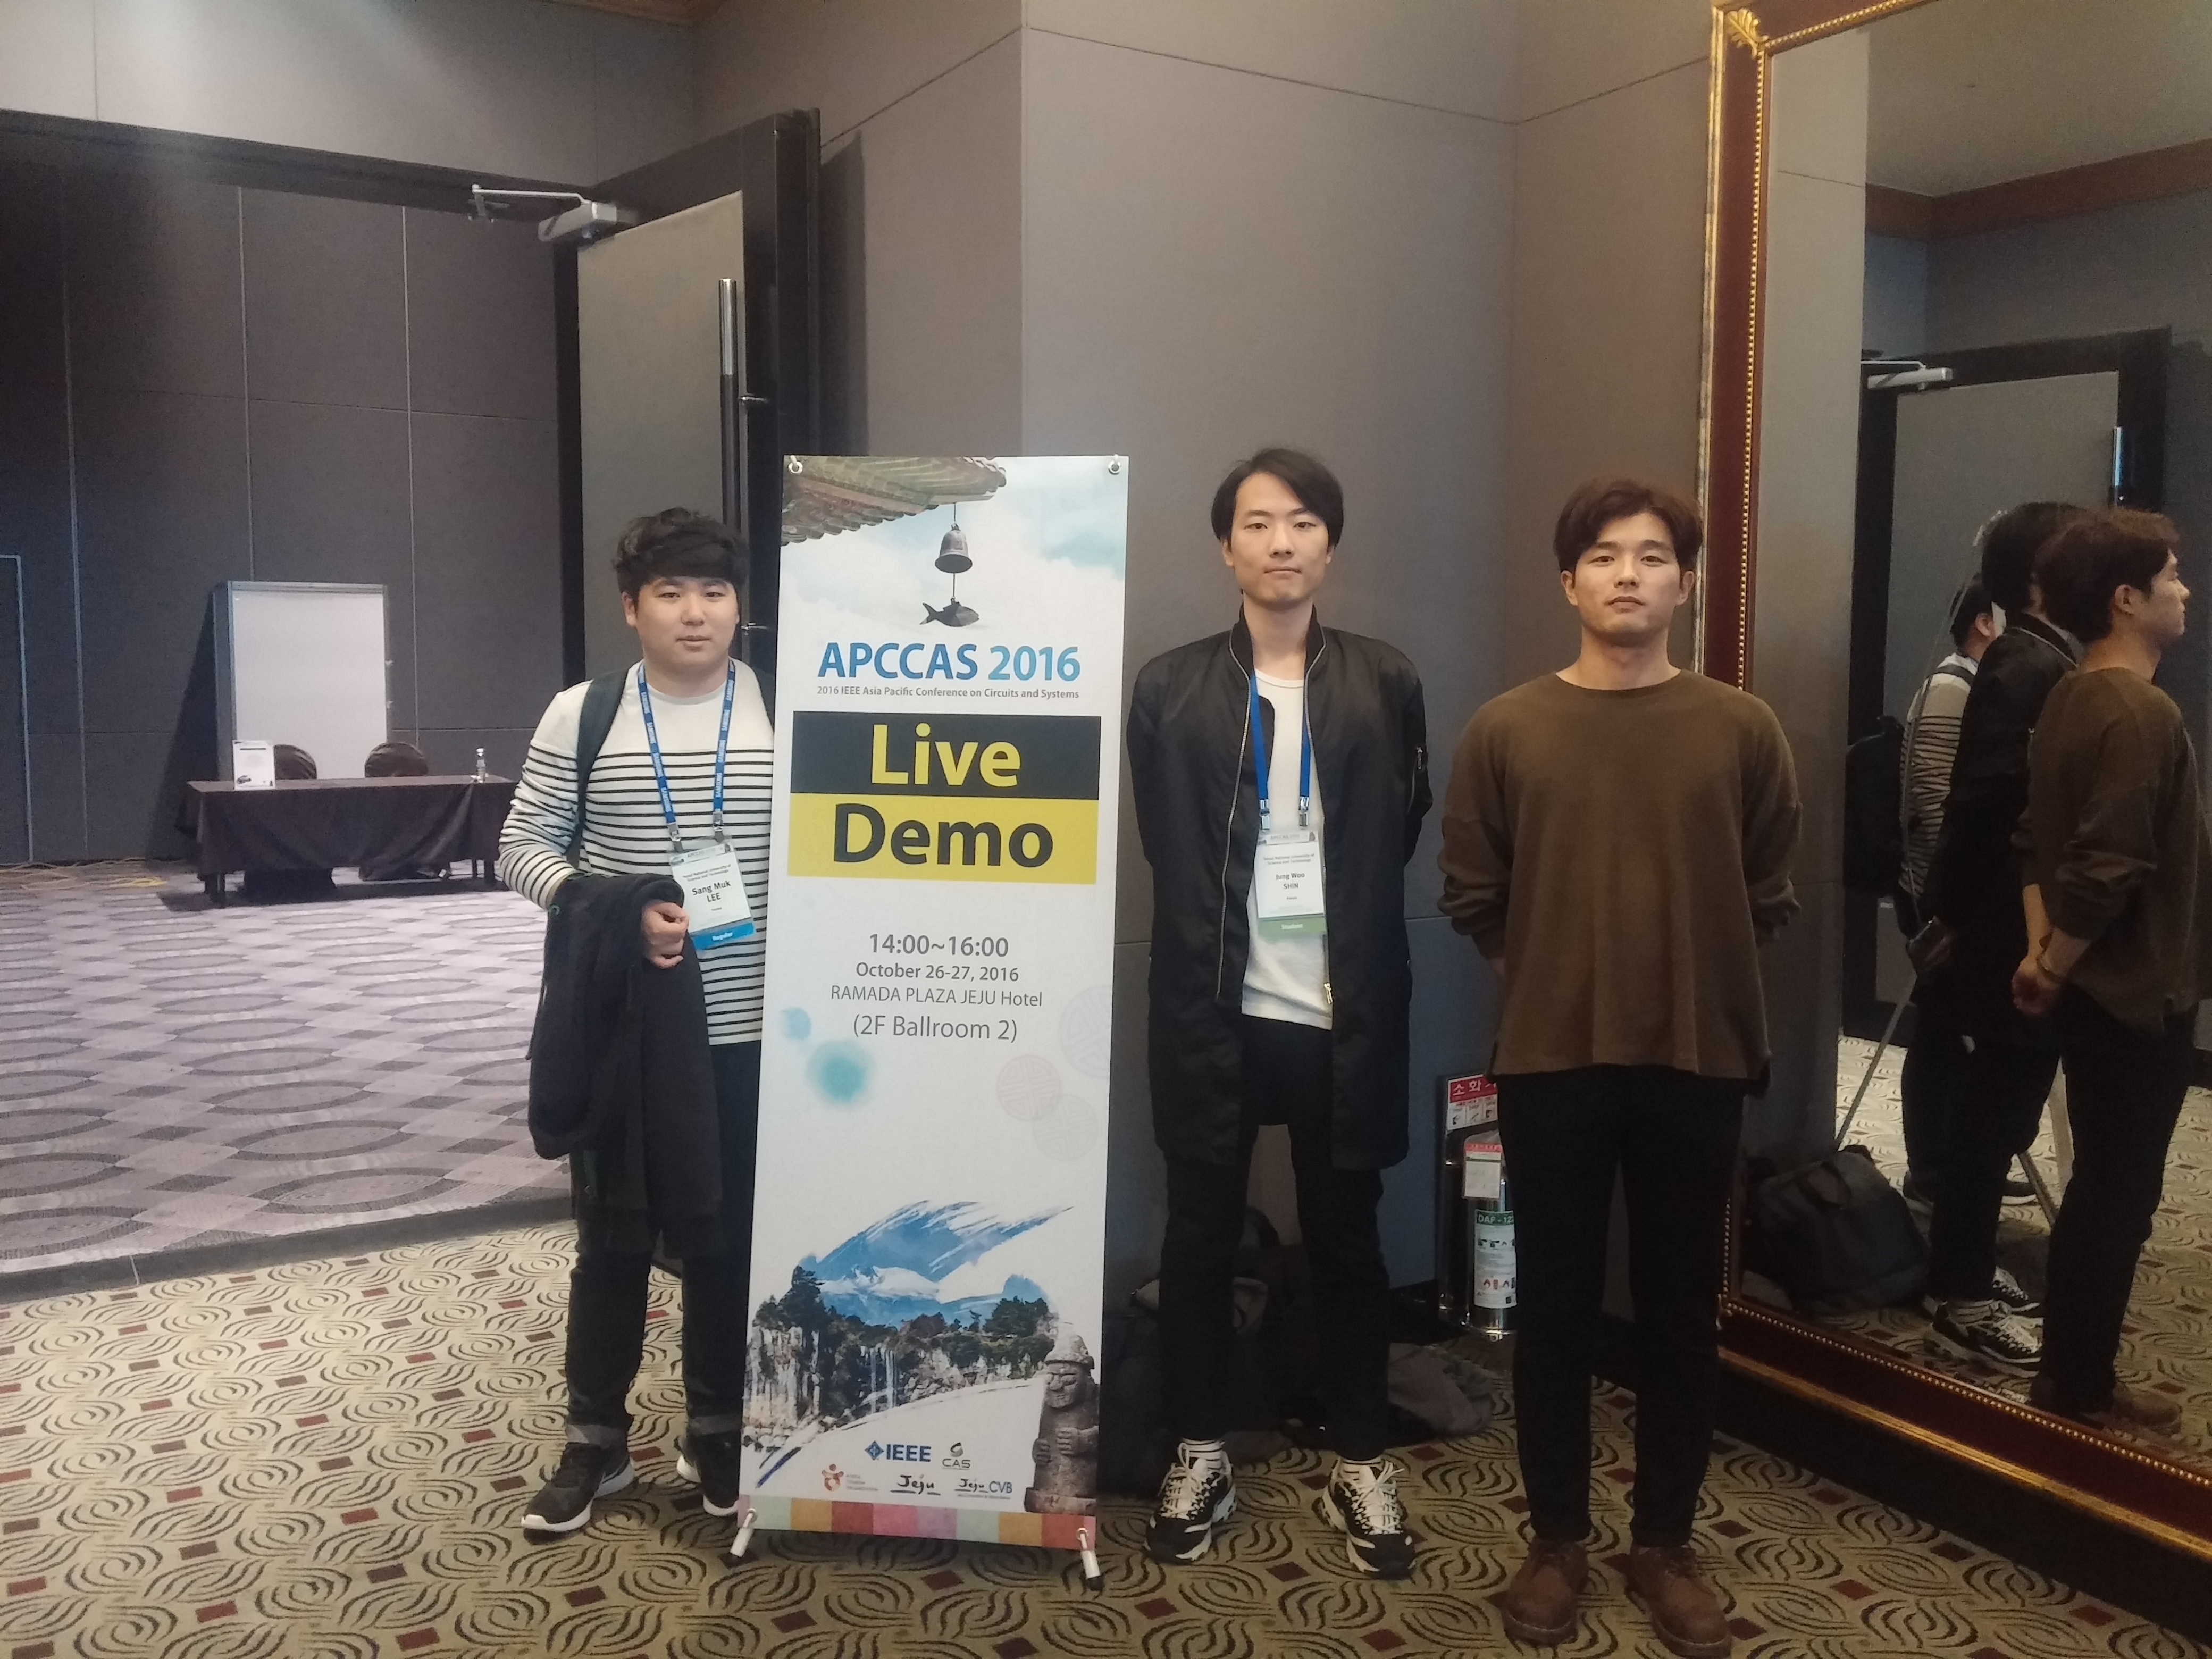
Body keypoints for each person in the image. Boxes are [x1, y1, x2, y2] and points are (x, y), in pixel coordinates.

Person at [1439, 478, 1799, 1658]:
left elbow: (1766, 890)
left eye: (1652, 555)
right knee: (1550, 1306)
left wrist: (1685, 973)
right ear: (1569, 581)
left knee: (1680, 1311)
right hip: (1552, 1063)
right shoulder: (1507, 728)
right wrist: (1555, 976)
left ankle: (1665, 1543)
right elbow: (1475, 894)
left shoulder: (1742, 729)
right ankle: (1556, 1538)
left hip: (1696, 1061)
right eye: (1603, 554)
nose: (1628, 573)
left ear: (1683, 583)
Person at [1126, 447, 1431, 1578]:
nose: (1281, 541)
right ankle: (1201, 1448)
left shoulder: (1385, 680)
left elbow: (1403, 822)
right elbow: (1165, 839)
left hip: (1341, 1008)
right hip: (1212, 1003)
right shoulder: (1168, 688)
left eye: (1302, 521)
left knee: (1348, 1238)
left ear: (1329, 544)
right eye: (1257, 523)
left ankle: (1360, 1455)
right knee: (1199, 1235)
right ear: (1226, 546)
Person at [499, 508, 774, 1535]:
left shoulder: (784, 708)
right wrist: (617, 910)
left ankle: (717, 1426)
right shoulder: (587, 714)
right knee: (611, 1244)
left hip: (752, 1032)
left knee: (727, 1240)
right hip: (628, 1030)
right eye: (670, 592)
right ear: (632, 608)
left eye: (714, 591)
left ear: (739, 607)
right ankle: (596, 1440)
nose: (694, 612)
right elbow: (521, 847)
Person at [2012, 509, 2204, 1434]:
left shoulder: (2070, 696)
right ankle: (2077, 1384)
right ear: (2127, 599)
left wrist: (2039, 953)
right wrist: (2053, 963)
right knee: (2117, 1197)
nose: (2185, 592)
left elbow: (2033, 845)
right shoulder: (2138, 711)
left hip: (2094, 986)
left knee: (2102, 1187)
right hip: (2132, 995)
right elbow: (2105, 865)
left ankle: (2074, 1372)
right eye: (2171, 579)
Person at [1915, 502, 2087, 1371]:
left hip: (2006, 923)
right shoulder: (2025, 664)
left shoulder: (2044, 658)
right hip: (2003, 929)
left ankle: (1964, 1268)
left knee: (1999, 1109)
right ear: (2042, 577)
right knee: (1996, 1114)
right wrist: (1947, 914)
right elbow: (1980, 806)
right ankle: (1960, 1290)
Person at [1895, 577, 1999, 1202]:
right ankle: (1930, 1168)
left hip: (1949, 895)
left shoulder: (1974, 685)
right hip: (1934, 897)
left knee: (1950, 1033)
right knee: (1938, 1035)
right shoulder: (1950, 688)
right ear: (1983, 622)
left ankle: (1954, 1164)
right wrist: (1952, 902)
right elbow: (1932, 799)